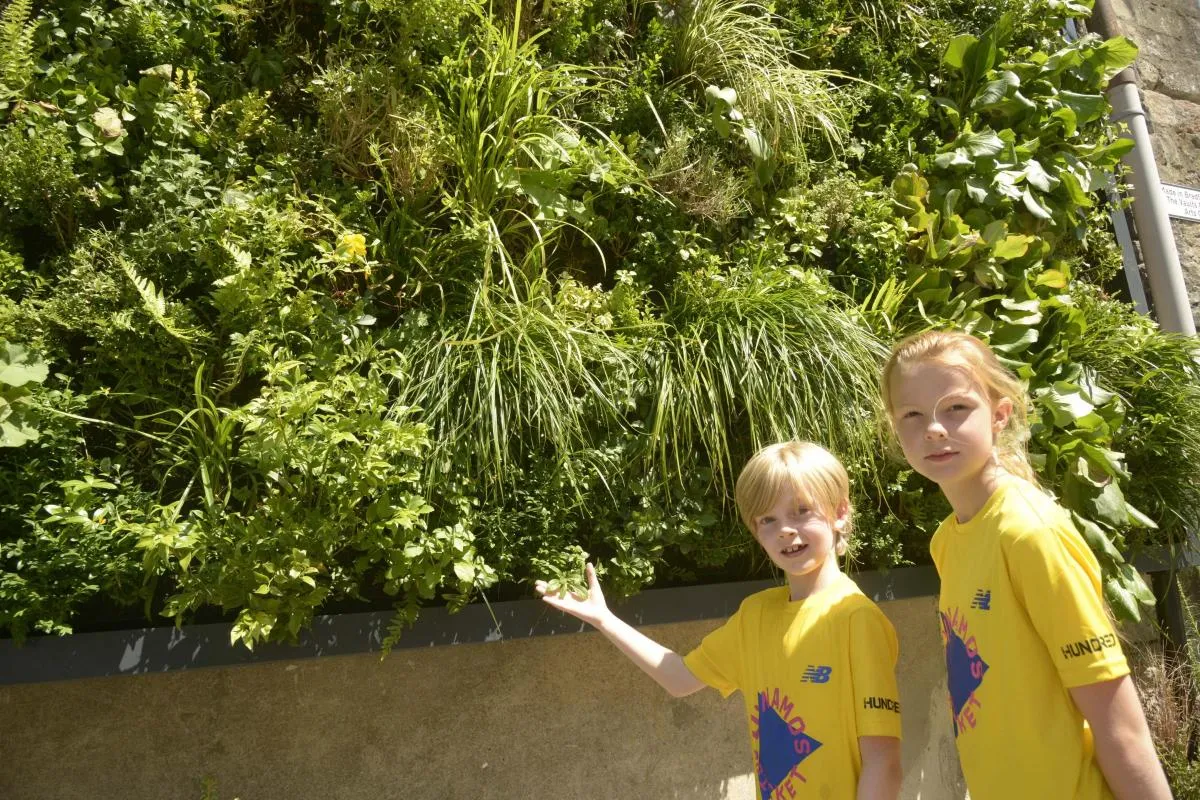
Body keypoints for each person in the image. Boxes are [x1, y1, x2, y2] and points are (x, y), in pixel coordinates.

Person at [882, 329, 1171, 799]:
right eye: (911, 414)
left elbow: (1118, 724)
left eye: (956, 407)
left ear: (999, 415)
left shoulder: (1030, 534)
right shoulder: (947, 541)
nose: (933, 428)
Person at [536, 441, 903, 799]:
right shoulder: (754, 615)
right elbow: (679, 678)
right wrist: (604, 619)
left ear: (840, 512)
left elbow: (883, 763)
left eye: (801, 511)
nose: (784, 530)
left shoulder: (857, 618)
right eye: (768, 519)